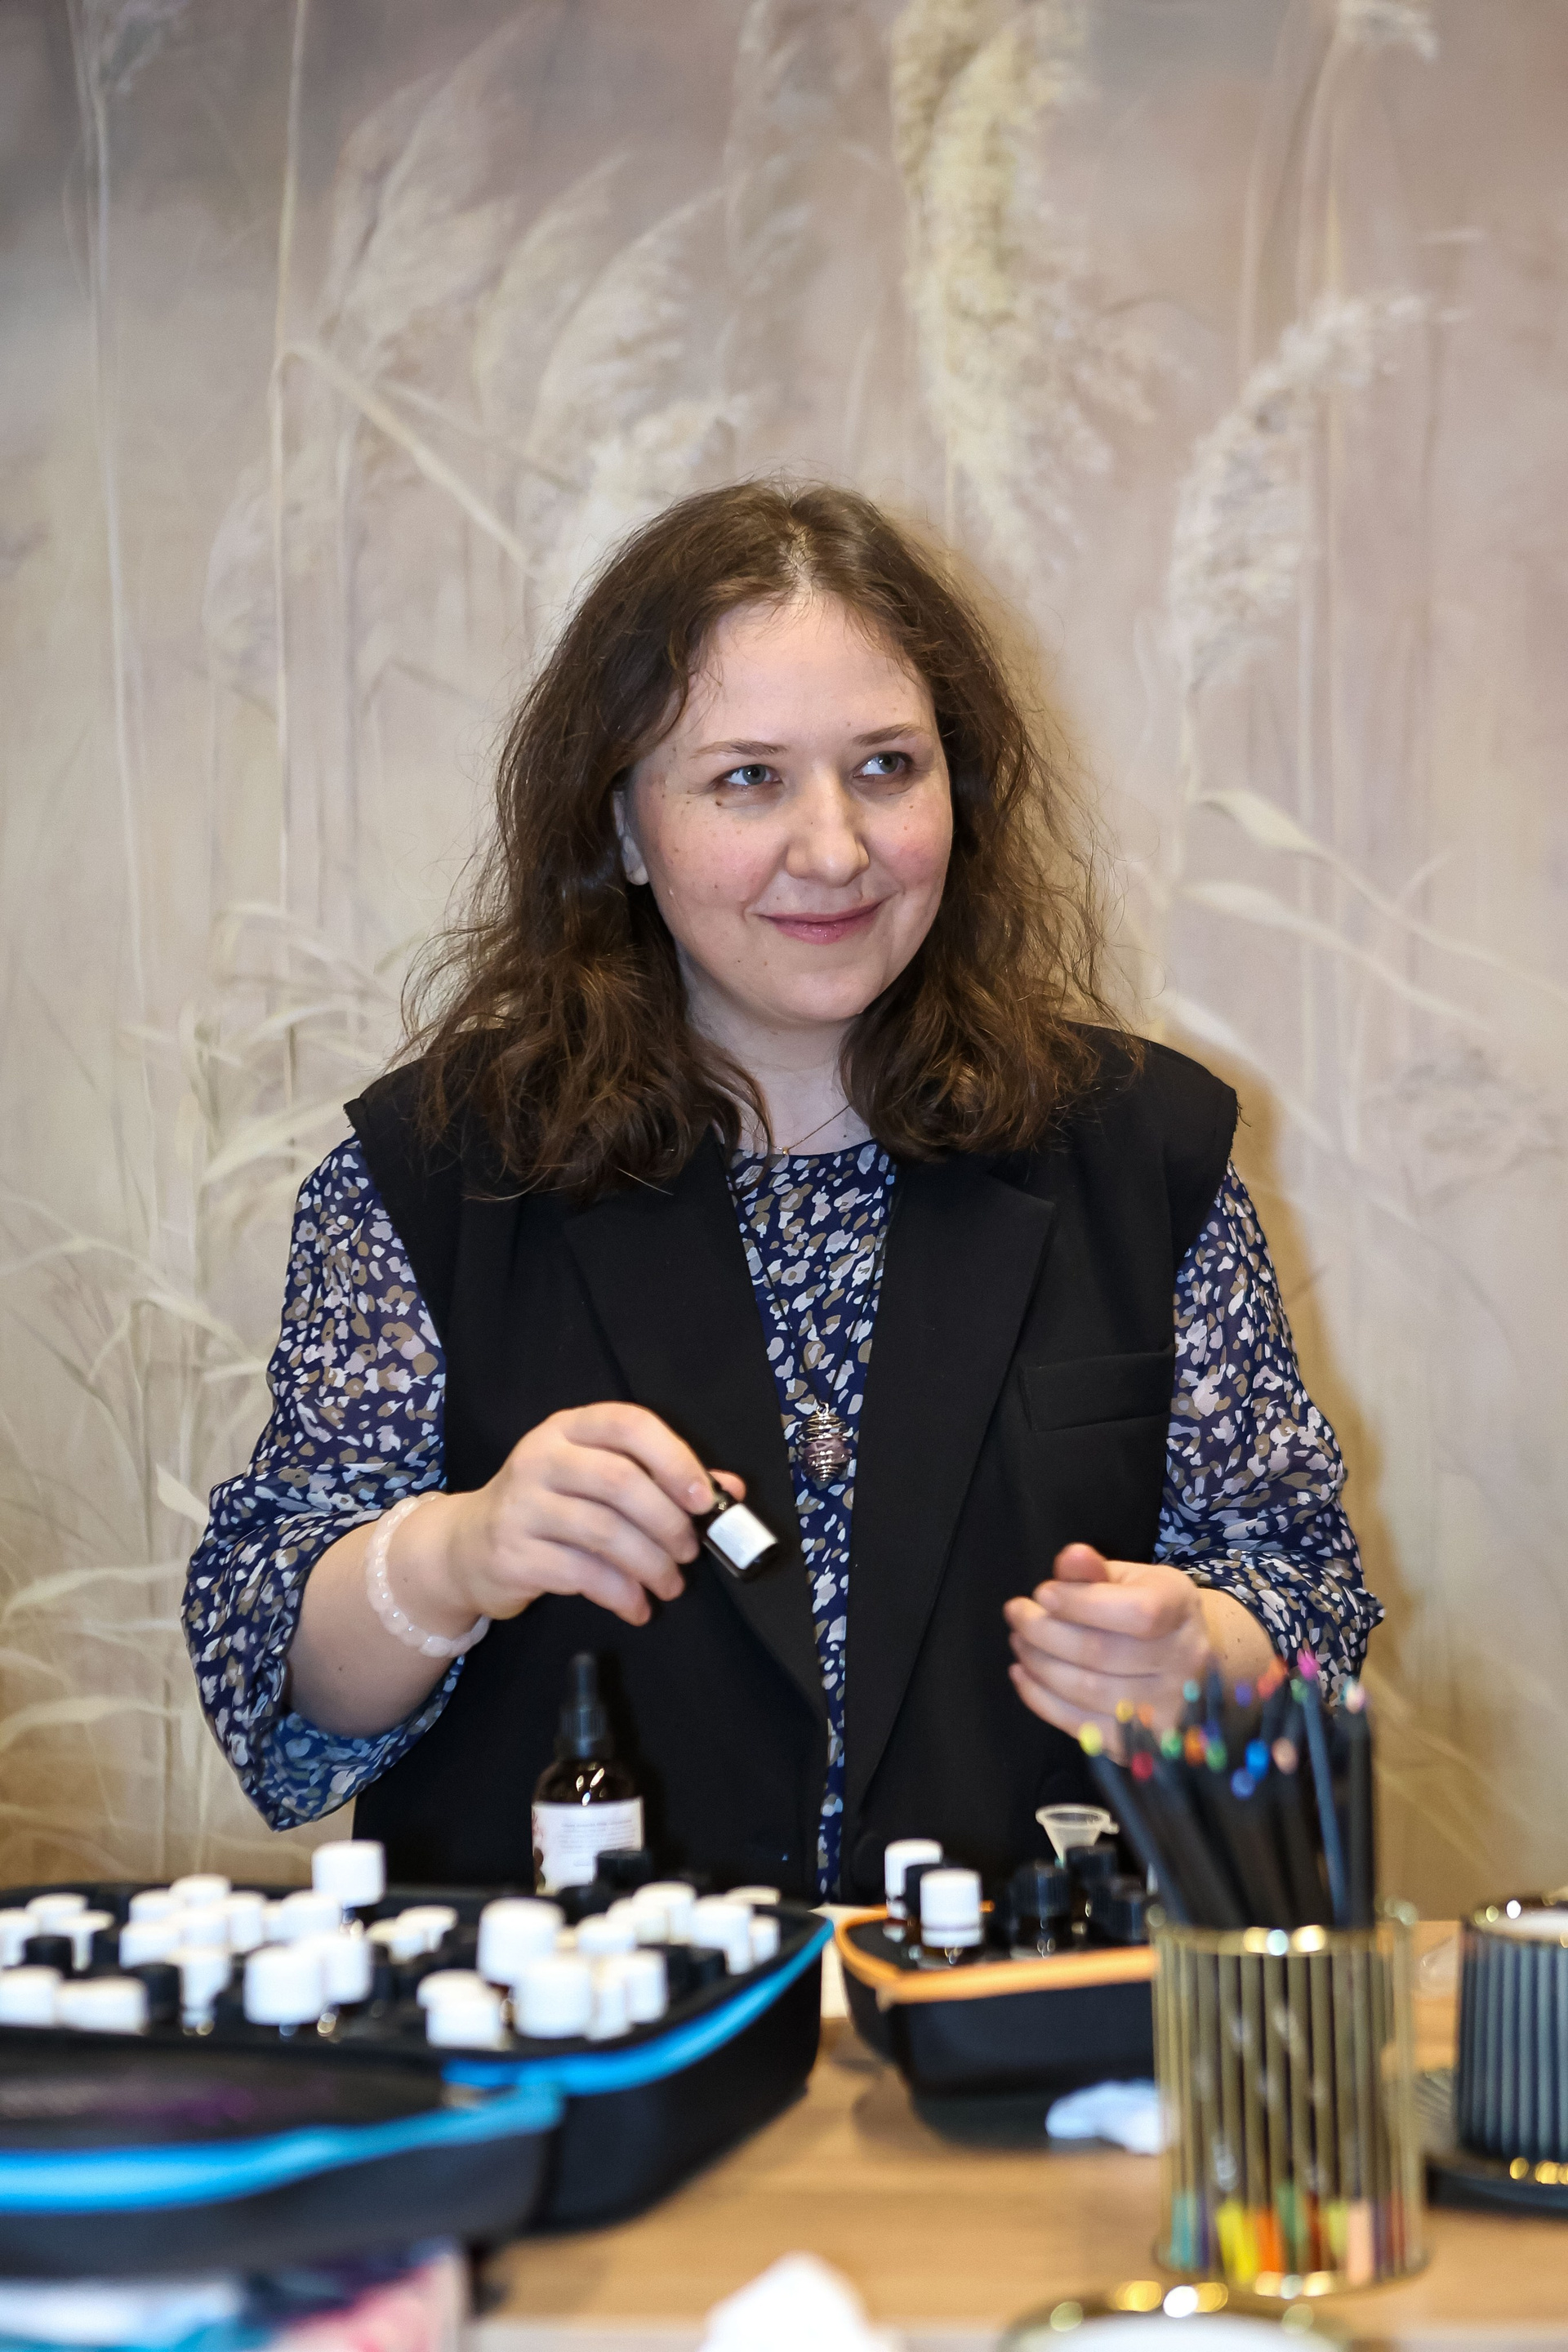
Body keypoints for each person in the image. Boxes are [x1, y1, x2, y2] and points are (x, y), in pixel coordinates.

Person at [184, 481, 1379, 1900]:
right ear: (624, 828)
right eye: (748, 777)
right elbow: (272, 1678)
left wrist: (1208, 1656)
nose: (835, 848)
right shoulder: (432, 1172)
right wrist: (452, 1554)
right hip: (583, 2019)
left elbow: (1310, 1599)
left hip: (1015, 2010)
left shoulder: (1143, 1151)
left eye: (886, 767)